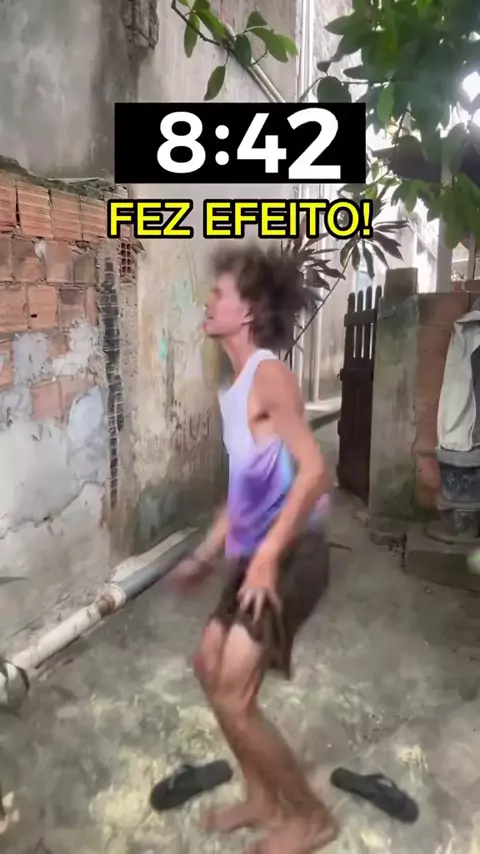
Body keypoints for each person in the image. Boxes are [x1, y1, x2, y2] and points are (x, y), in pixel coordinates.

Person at [171, 243, 336, 854]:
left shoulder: (269, 376)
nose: (208, 300)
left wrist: (265, 558)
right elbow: (244, 494)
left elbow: (314, 471)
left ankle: (312, 818)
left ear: (246, 312)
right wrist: (206, 554)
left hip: (294, 555)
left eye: (219, 294)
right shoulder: (235, 388)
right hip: (258, 555)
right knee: (208, 665)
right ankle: (263, 798)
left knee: (235, 695)